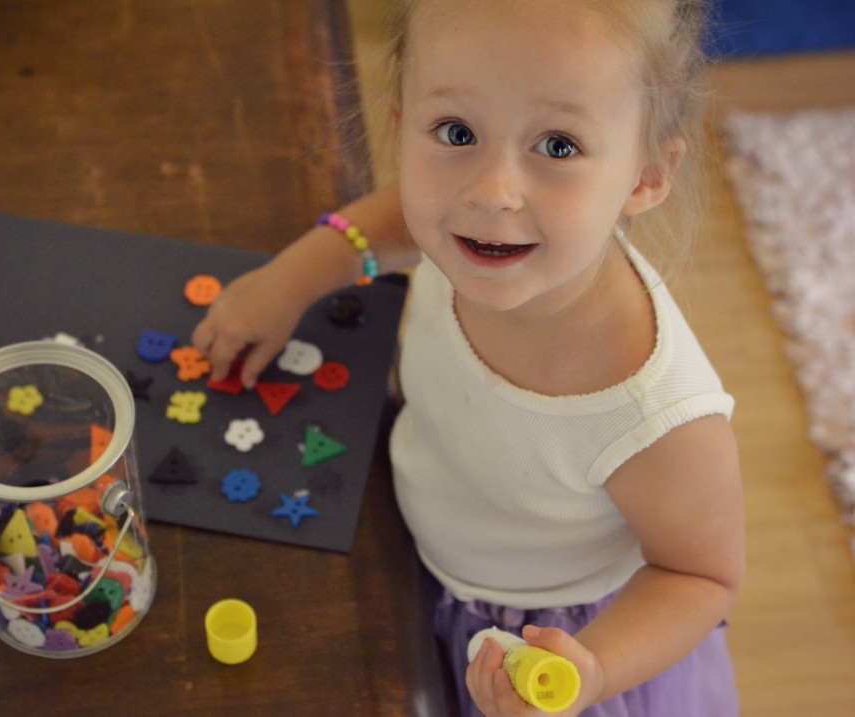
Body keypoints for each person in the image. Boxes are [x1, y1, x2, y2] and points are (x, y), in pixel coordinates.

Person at [192, 0, 744, 714]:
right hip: (413, 566)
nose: (490, 193)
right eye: (456, 132)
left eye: (557, 146)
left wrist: (593, 669)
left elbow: (701, 576)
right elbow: (399, 218)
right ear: (399, 124)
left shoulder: (657, 413)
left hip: (555, 653)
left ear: (645, 175)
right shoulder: (458, 227)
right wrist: (289, 280)